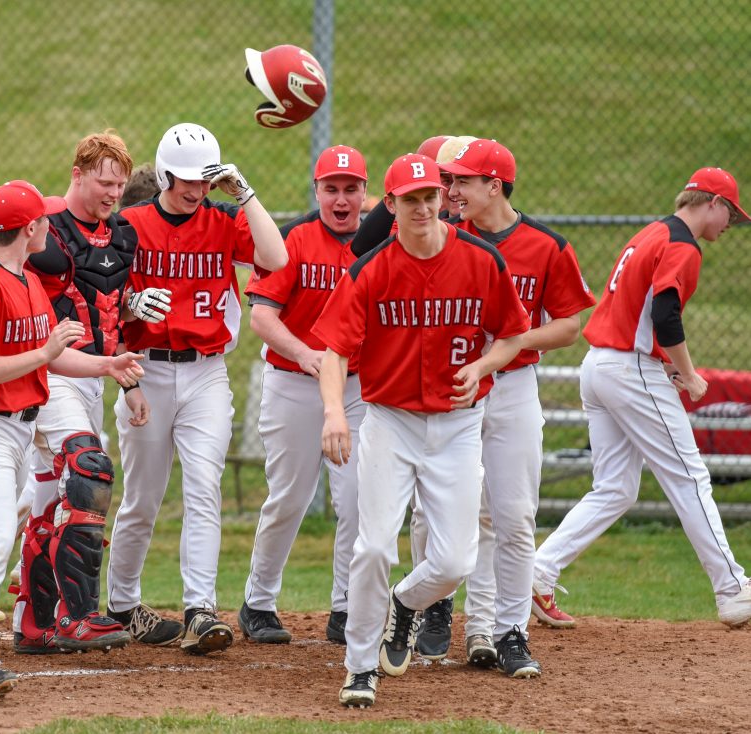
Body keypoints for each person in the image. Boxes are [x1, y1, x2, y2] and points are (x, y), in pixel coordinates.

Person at [0, 180, 144, 703]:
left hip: (15, 430)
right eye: (44, 223)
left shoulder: (29, 283)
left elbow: (54, 354)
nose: (50, 231)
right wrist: (42, 355)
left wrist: (107, 364)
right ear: (31, 228)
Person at [313, 153, 529, 708]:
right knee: (373, 548)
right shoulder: (371, 270)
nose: (423, 206)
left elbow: (512, 334)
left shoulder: (481, 261)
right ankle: (360, 666)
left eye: (431, 195)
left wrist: (482, 367)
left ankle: (406, 604)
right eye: (410, 199)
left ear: (444, 198)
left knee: (456, 560)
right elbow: (336, 351)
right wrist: (336, 413)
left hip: (459, 425)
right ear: (390, 205)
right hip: (391, 421)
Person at [532, 167, 751, 629]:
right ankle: (733, 590)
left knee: (615, 488)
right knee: (690, 477)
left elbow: (639, 313)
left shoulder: (652, 232)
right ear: (710, 201)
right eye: (729, 212)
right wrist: (690, 375)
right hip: (629, 370)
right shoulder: (682, 244)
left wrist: (661, 362)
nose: (730, 224)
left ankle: (539, 569)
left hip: (600, 365)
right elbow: (665, 312)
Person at [409, 139, 595, 676]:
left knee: (511, 516)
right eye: (450, 181)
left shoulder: (544, 246)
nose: (450, 190)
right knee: (434, 508)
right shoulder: (442, 236)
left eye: (462, 181)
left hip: (511, 388)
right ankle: (436, 605)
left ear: (496, 185)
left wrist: (509, 343)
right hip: (454, 385)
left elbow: (568, 325)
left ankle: (507, 629)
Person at [106, 122, 288, 655]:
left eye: (205, 179)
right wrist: (127, 306)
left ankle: (199, 608)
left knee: (204, 486)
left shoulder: (224, 218)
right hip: (145, 370)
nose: (197, 189)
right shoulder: (131, 223)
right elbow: (98, 292)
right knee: (141, 498)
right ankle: (121, 603)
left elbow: (276, 259)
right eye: (187, 179)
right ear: (163, 173)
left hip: (206, 371)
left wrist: (245, 192)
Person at [10, 131, 159, 655]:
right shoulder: (44, 232)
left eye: (120, 183)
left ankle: (31, 621)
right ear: (77, 174)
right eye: (103, 181)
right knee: (90, 469)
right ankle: (80, 615)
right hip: (48, 373)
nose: (113, 192)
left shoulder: (121, 236)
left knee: (52, 503)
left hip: (95, 374)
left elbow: (112, 315)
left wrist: (130, 384)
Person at [238, 145, 368, 645]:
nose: (341, 199)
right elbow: (261, 316)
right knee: (289, 497)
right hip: (294, 382)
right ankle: (259, 602)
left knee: (357, 499)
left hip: (356, 387)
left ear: (364, 192)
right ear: (316, 191)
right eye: (331, 188)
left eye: (350, 188)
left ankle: (345, 608)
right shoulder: (292, 236)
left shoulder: (380, 241)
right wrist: (306, 353)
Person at [349, 135, 477, 258]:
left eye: (464, 180)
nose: (454, 190)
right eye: (447, 180)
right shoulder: (416, 220)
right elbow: (361, 247)